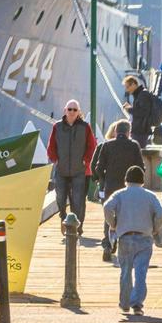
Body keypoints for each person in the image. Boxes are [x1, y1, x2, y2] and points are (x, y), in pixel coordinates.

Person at [103, 166, 162, 316]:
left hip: (125, 237)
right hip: (144, 238)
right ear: (142, 181)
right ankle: (137, 304)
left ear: (126, 180)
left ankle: (124, 303)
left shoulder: (119, 194)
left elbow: (107, 207)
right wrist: (155, 228)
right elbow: (161, 213)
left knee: (125, 272)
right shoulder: (150, 196)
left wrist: (113, 224)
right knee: (141, 272)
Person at [91, 120, 143, 261]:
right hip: (129, 188)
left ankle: (107, 245)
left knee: (109, 217)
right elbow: (140, 167)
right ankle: (125, 247)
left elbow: (98, 167)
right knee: (127, 216)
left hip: (110, 187)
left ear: (115, 131)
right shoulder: (134, 146)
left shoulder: (107, 145)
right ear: (128, 132)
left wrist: (102, 179)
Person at [46, 99, 97, 236]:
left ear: (79, 112)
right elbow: (51, 146)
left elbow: (92, 146)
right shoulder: (57, 127)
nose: (72, 112)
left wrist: (85, 161)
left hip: (78, 170)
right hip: (61, 170)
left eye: (75, 109)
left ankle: (77, 226)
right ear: (65, 111)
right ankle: (63, 218)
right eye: (70, 109)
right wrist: (55, 160)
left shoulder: (85, 127)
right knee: (60, 197)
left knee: (78, 200)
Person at [123, 76, 156, 150]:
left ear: (134, 84)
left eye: (128, 87)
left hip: (141, 131)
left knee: (138, 153)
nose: (127, 90)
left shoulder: (143, 95)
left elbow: (143, 112)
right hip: (140, 130)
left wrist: (130, 109)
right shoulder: (139, 95)